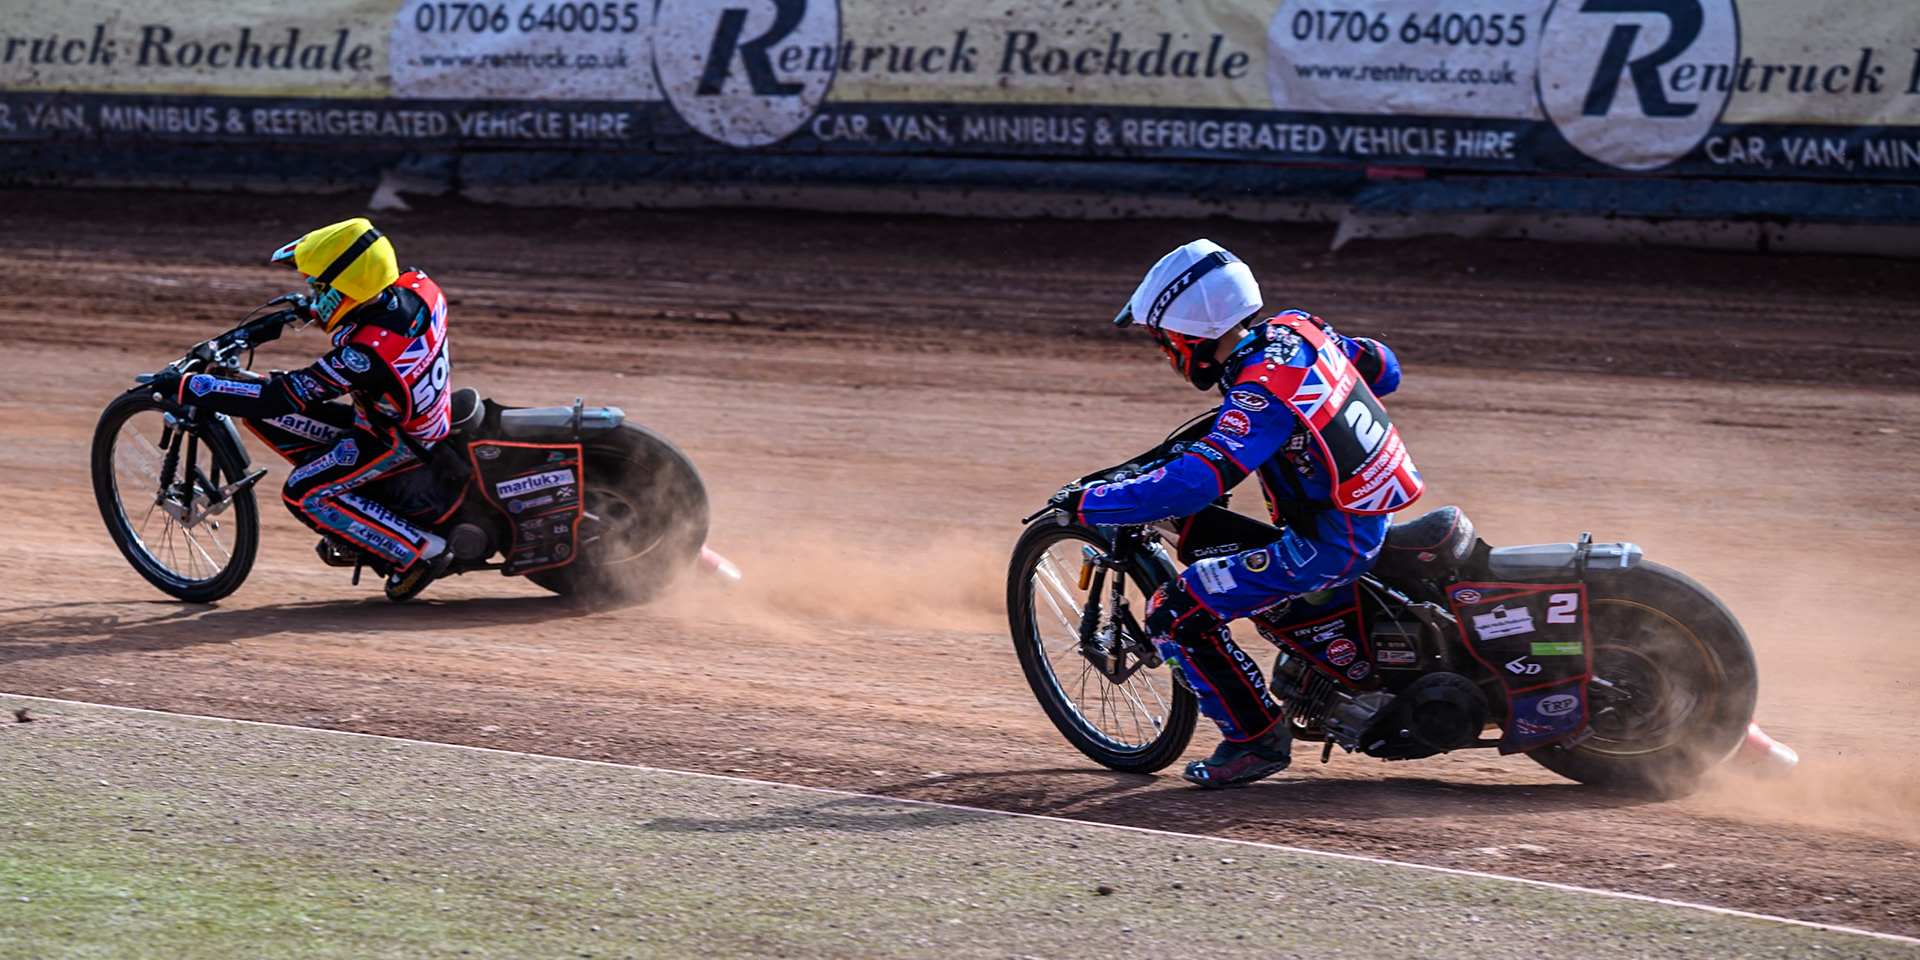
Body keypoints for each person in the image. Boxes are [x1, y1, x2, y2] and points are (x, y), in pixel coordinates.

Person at [1050, 239, 1423, 788]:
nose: (1164, 353)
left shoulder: (1259, 394)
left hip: (1330, 545)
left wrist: (1089, 502)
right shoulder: (1298, 330)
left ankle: (1255, 740)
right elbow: (1384, 369)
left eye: (1161, 340)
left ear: (1187, 336)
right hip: (1368, 510)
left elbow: (1194, 485)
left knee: (1174, 609)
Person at [149, 218, 456, 601]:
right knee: (266, 406)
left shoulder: (365, 355)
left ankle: (420, 554)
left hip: (396, 440)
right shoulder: (417, 286)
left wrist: (187, 387)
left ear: (344, 288)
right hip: (406, 413)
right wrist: (300, 312)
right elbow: (362, 311)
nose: (312, 290)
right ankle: (366, 510)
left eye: (318, 285)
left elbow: (281, 396)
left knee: (304, 492)